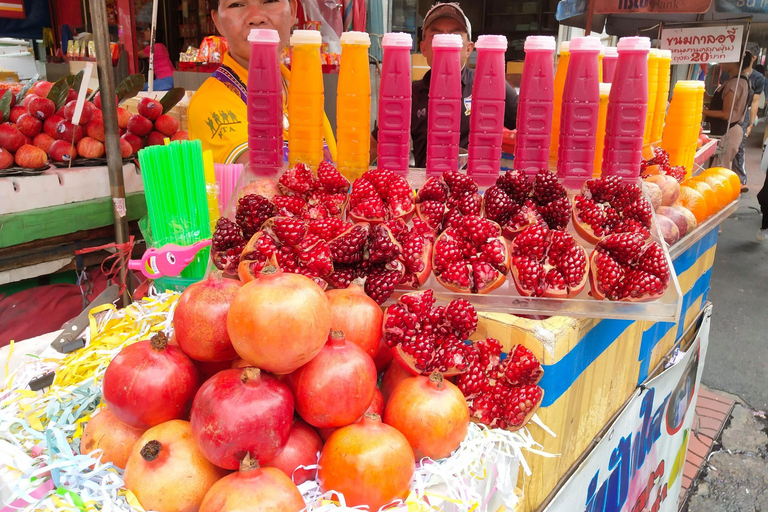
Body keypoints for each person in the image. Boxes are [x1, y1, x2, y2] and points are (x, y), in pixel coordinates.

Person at [370, 2, 518, 168]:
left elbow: (531, 131)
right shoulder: (410, 93)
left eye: (455, 35)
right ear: (424, 48)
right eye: (436, 36)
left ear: (469, 49)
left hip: (477, 188)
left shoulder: (491, 86)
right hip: (427, 188)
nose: (446, 42)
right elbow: (377, 143)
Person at [188, 0, 335, 165]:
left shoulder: (299, 87)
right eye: (237, 5)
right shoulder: (210, 102)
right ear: (218, 22)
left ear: (293, 10)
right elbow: (262, 179)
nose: (256, 17)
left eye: (270, 1)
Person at [703, 53, 752, 174]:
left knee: (717, 173)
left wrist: (702, 111)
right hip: (726, 131)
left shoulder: (735, 83)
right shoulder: (736, 80)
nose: (721, 64)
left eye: (724, 60)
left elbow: (726, 114)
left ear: (734, 61)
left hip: (727, 132)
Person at [731, 52, 765, 192]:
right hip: (731, 112)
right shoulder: (732, 73)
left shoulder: (758, 77)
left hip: (744, 114)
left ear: (754, 58)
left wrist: (751, 123)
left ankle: (740, 180)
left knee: (739, 147)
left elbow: (755, 101)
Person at [138, 25, 175, 91]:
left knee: (138, 89)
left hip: (165, 80)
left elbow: (136, 55)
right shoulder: (162, 46)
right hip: (173, 78)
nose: (145, 33)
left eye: (147, 31)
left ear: (153, 34)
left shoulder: (152, 48)